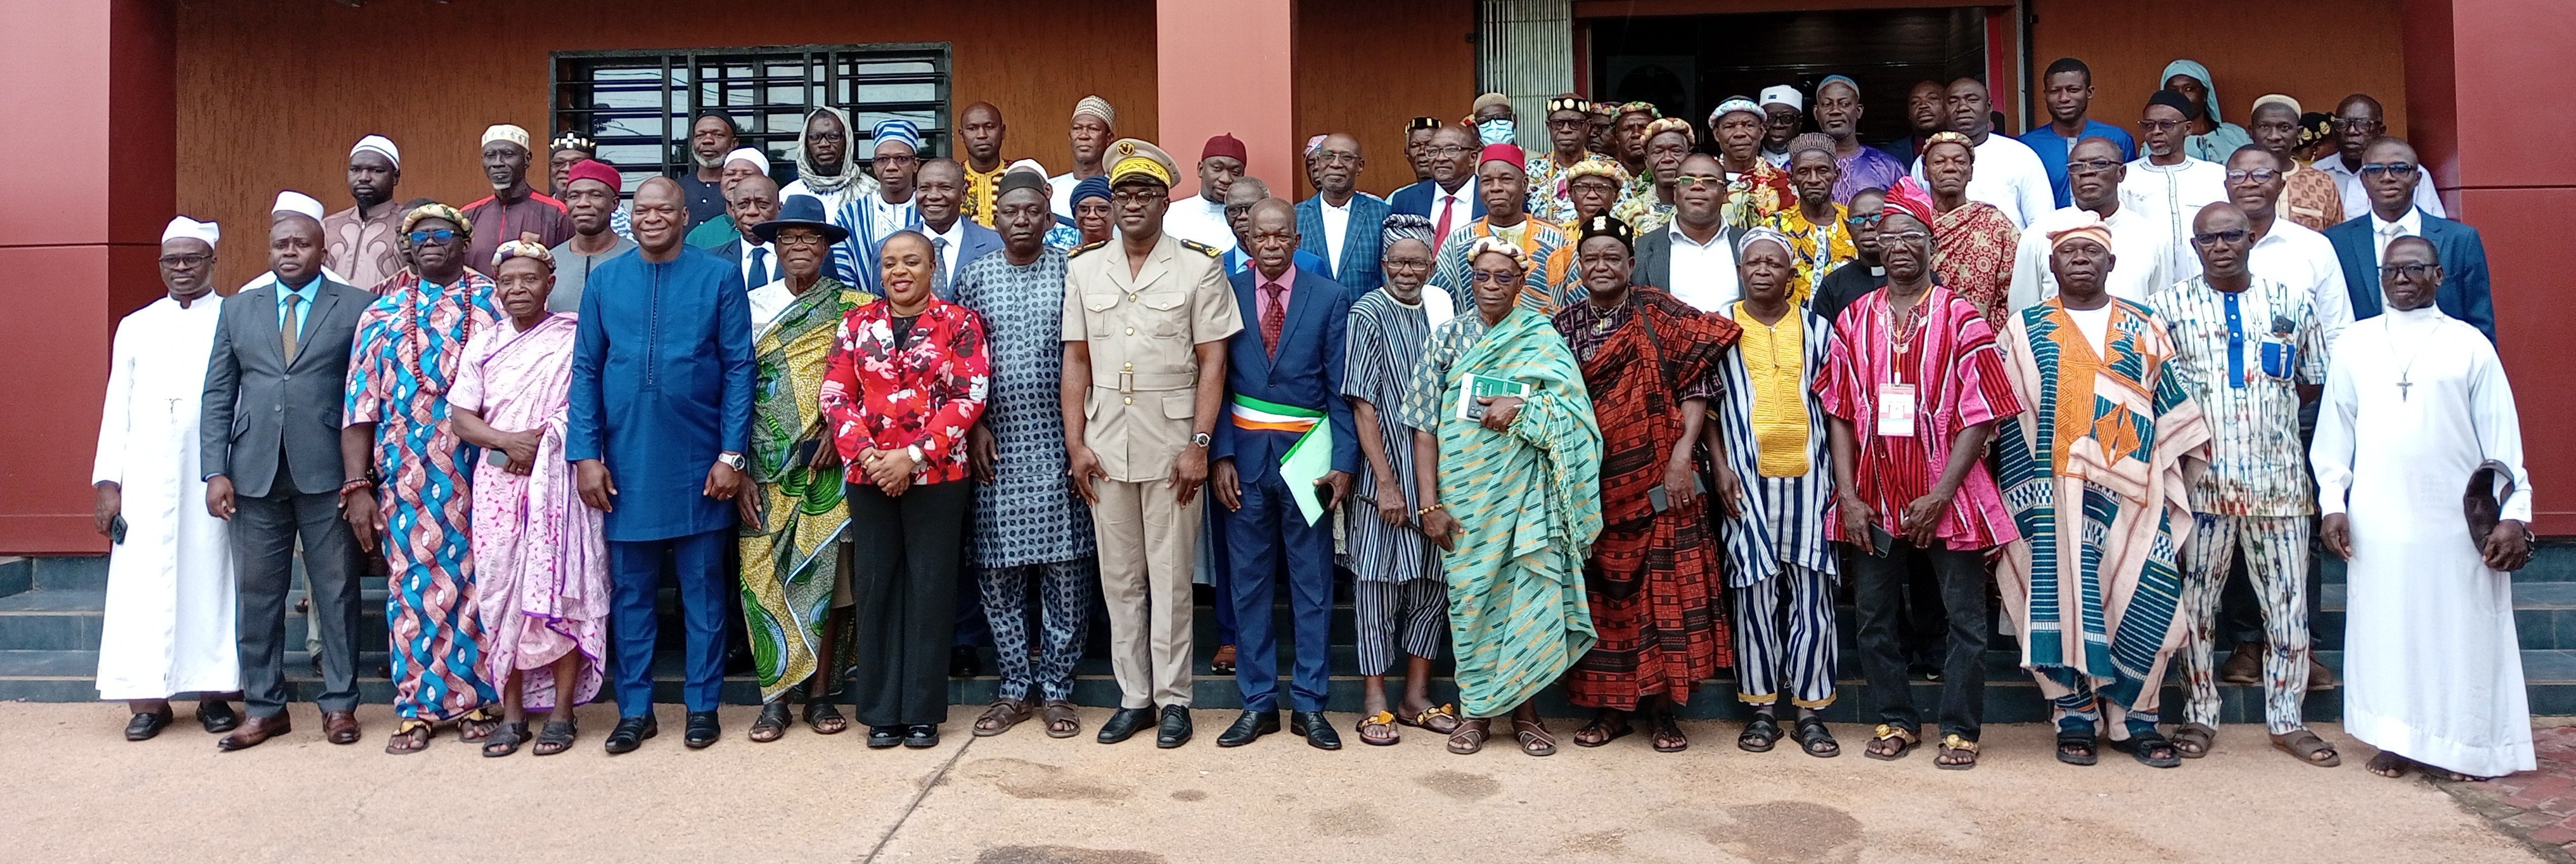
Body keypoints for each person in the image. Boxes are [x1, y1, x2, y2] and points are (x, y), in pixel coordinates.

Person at [1990, 213, 2212, 770]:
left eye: (2092, 252)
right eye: (2070, 252)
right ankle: (2074, 715)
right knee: (2058, 596)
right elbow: (2009, 415)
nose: (2081, 260)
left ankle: (2136, 717)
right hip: (2052, 496)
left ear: (2112, 262)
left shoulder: (2145, 324)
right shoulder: (2024, 328)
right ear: (2052, 263)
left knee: (2148, 592)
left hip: (2134, 498)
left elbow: (2170, 406)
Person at [1819, 179, 2023, 770]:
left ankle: (1960, 728)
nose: (1901, 246)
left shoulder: (1962, 317)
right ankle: (1896, 718)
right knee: (1875, 617)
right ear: (1875, 246)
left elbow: (1982, 414)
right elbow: (1839, 411)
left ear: (1931, 244)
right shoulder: (1853, 319)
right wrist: (1848, 496)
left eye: (1913, 235)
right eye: (1890, 237)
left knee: (1965, 618)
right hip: (1874, 491)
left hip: (1948, 492)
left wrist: (1940, 494)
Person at [2315, 235, 2534, 782]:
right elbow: (2335, 432)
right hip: (2380, 516)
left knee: (2460, 631)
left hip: (2454, 519)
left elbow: (2502, 436)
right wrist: (2333, 502)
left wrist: (2514, 513)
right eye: (2392, 270)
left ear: (2439, 276)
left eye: (2415, 268)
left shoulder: (2468, 345)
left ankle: (2464, 744)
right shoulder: (2356, 343)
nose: (2402, 278)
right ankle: (2397, 738)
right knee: (2388, 629)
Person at [1061, 138, 1240, 749]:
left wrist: (1199, 444)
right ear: (1111, 204)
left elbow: (1213, 362)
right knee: (1120, 579)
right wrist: (1076, 443)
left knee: (1170, 578)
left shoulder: (1199, 266)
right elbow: (1077, 359)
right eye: (1124, 195)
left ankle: (1174, 699)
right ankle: (1133, 696)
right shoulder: (1085, 267)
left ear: (1167, 202)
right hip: (1106, 442)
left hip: (1172, 443)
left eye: (1146, 194)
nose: (1133, 204)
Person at [2145, 202, 2337, 766]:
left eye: (2231, 235)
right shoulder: (2167, 308)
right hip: (2198, 486)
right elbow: (2154, 390)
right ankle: (2200, 712)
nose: (2221, 246)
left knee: (2287, 604)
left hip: (2279, 484)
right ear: (2195, 246)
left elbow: (2310, 382)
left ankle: (2287, 718)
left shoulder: (2290, 302)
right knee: (2196, 604)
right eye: (2209, 239)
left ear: (2251, 237)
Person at [569, 177, 756, 753]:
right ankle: (635, 710)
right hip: (625, 462)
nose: (652, 218)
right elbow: (586, 370)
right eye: (642, 209)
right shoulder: (605, 280)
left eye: (664, 210)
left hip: (700, 460)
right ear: (631, 216)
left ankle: (703, 706)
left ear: (684, 217)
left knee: (703, 592)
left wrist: (732, 454)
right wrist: (586, 455)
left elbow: (739, 367)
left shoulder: (719, 276)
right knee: (631, 594)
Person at [1400, 236, 1600, 757]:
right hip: (1464, 498)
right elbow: (1423, 426)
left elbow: (1576, 414)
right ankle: (1477, 713)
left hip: (1526, 496)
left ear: (1521, 283)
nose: (1491, 285)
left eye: (1503, 277)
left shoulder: (1541, 336)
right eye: (1483, 276)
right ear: (1470, 280)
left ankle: (1527, 714)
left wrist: (1524, 406)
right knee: (1472, 602)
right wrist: (1429, 505)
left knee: (1527, 597)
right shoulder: (1447, 337)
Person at [1550, 215, 1735, 753]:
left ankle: (1662, 711)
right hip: (1591, 484)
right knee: (1602, 596)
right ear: (1579, 268)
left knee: (1662, 596)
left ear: (1631, 264)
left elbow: (1697, 384)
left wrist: (1682, 456)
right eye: (1592, 258)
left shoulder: (1660, 312)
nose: (1602, 266)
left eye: (1613, 257)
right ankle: (1609, 711)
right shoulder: (1562, 327)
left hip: (1661, 480)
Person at [201, 207, 371, 751]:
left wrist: (362, 477)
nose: (290, 252)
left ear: (323, 250)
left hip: (328, 472)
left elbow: (367, 393)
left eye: (301, 244)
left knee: (336, 592)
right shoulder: (237, 308)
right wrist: (215, 470)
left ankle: (340, 705)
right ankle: (265, 707)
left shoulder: (357, 306)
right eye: (281, 245)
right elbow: (218, 393)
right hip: (253, 473)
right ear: (269, 250)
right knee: (256, 596)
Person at [818, 230, 989, 749]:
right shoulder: (856, 323)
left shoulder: (959, 323)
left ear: (932, 267)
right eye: (890, 262)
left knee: (930, 588)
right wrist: (871, 457)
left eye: (912, 261)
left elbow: (969, 396)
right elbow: (834, 394)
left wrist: (911, 457)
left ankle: (921, 711)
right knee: (877, 586)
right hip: (869, 475)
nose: (900, 271)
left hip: (937, 477)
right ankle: (880, 711)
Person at [343, 203, 504, 754]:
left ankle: (477, 699)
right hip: (407, 477)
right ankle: (417, 707)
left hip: (483, 472)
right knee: (412, 588)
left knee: (478, 583)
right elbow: (359, 407)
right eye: (419, 235)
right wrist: (358, 486)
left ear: (465, 241)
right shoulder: (381, 313)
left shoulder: (496, 303)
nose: (430, 241)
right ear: (406, 248)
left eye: (442, 233)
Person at [1207, 198, 1359, 751]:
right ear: (1247, 240)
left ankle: (1311, 705)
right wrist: (1220, 455)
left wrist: (1344, 462)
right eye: (1261, 236)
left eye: (1281, 236)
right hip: (1244, 462)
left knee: (1312, 586)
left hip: (1309, 462)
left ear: (1297, 239)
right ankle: (1258, 703)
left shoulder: (1330, 297)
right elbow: (1214, 381)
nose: (1271, 245)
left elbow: (1341, 388)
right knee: (1248, 586)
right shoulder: (1224, 293)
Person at [444, 240, 605, 758]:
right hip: (498, 484)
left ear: (549, 284)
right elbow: (461, 417)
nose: (518, 289)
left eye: (529, 279)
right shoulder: (484, 344)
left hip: (560, 483)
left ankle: (562, 713)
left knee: (561, 587)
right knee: (499, 593)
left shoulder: (572, 336)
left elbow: (588, 400)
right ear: (496, 287)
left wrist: (543, 441)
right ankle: (512, 714)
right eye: (508, 281)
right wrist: (506, 441)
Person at [956, 175, 1096, 738]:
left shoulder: (1072, 272)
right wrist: (974, 424)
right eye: (1011, 211)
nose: (1021, 220)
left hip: (1063, 442)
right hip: (997, 446)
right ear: (996, 219)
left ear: (1048, 217)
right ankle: (1014, 688)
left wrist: (1080, 439)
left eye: (1032, 211)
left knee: (1068, 571)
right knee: (999, 572)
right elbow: (958, 358)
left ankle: (1058, 689)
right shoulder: (974, 277)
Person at [94, 216, 242, 742]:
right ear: (160, 265)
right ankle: (147, 700)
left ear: (212, 261)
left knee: (211, 577)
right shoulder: (135, 325)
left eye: (192, 258)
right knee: (141, 583)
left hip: (210, 472)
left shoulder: (233, 316)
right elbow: (117, 405)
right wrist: (108, 483)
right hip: (145, 475)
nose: (181, 268)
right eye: (171, 260)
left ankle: (213, 692)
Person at [731, 194, 869, 742]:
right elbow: (731, 386)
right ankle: (775, 699)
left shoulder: (854, 306)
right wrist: (737, 464)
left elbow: (871, 381)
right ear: (774, 247)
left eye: (810, 238)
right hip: (762, 468)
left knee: (826, 578)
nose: (799, 247)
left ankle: (819, 695)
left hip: (826, 467)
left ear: (826, 247)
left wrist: (841, 432)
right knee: (761, 581)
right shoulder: (749, 305)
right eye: (788, 238)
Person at [1714, 226, 1841, 756]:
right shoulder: (1718, 328)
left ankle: (1811, 711)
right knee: (1753, 592)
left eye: (1774, 262)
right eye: (1754, 262)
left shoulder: (1819, 330)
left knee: (1814, 596)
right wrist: (1720, 467)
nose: (1763, 269)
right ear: (1740, 271)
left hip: (1812, 483)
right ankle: (1762, 709)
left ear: (1792, 274)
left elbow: (1838, 408)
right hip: (1744, 482)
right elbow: (1705, 405)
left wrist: (1843, 483)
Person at [1343, 214, 1458, 747]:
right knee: (1377, 588)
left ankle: (1416, 696)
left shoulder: (1439, 311)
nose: (1407, 271)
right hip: (1383, 477)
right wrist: (1386, 482)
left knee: (1431, 585)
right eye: (1398, 262)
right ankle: (1375, 699)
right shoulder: (1368, 312)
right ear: (1383, 264)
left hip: (1434, 478)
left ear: (1431, 266)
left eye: (1417, 262)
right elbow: (1362, 404)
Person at [2322, 136, 2494, 341]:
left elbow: (2481, 324)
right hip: (2366, 357)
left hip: (2443, 357)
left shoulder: (2460, 240)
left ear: (2417, 178)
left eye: (2399, 169)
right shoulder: (2336, 242)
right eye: (2375, 170)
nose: (2387, 177)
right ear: (2363, 180)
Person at [2011, 137, 2176, 309]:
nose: (2087, 172)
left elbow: (2160, 311)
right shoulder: (2039, 234)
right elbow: (2022, 312)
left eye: (2099, 164)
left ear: (2121, 173)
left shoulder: (2151, 237)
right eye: (2076, 167)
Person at [2227, 146, 2355, 345]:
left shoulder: (2315, 247)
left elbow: (2336, 332)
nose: (2250, 183)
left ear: (2281, 185)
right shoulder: (2207, 246)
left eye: (2262, 175)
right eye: (2237, 175)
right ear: (2226, 185)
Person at [1431, 144, 1569, 314]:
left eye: (1506, 179)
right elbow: (1438, 302)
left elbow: (1577, 303)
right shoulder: (1458, 242)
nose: (1495, 187)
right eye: (1487, 181)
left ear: (1524, 184)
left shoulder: (1556, 240)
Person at [1910, 77, 2052, 229]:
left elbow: (2041, 223)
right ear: (1945, 110)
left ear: (1989, 106)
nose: (1962, 107)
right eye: (1953, 102)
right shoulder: (1927, 161)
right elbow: (1915, 222)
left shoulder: (2021, 155)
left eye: (1972, 100)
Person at [2125, 90, 2231, 282]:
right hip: (2146, 280)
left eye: (2166, 124)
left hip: (2203, 280)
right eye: (2149, 125)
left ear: (2187, 128)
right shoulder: (2125, 177)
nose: (2156, 131)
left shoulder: (2215, 176)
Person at [1919, 134, 2021, 324]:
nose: (1950, 168)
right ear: (1926, 172)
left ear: (1971, 172)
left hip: (1983, 334)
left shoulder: (1996, 225)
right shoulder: (1913, 223)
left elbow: (2014, 291)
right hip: (1923, 332)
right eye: (1939, 162)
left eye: (1959, 162)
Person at [1631, 153, 1744, 312]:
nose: (1697, 186)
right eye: (1687, 180)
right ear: (1675, 192)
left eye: (1709, 181)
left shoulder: (1745, 244)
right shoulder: (1643, 247)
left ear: (1724, 194)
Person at [2021, 58, 2140, 208]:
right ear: (2045, 95)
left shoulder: (2118, 139)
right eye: (2055, 91)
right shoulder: (2025, 146)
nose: (2064, 98)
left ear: (2089, 92)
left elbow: (2131, 194)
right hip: (2048, 223)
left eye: (2073, 90)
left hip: (2108, 223)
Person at [2310, 94, 2445, 221]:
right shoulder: (2316, 174)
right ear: (2334, 131)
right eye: (2342, 124)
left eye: (2363, 124)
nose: (2351, 131)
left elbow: (2433, 227)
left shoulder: (2407, 173)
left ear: (2381, 132)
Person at [461, 124, 572, 275]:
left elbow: (568, 269)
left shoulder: (557, 213)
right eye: (490, 156)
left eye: (508, 154)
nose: (498, 163)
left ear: (527, 159)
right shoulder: (467, 216)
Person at [833, 120, 927, 287]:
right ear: (874, 166)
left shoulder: (930, 212)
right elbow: (843, 278)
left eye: (901, 159)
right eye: (883, 159)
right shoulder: (850, 215)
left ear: (915, 164)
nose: (891, 167)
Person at [1763, 134, 1852, 305]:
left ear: (1837, 175)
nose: (1813, 180)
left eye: (1823, 171)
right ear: (1792, 178)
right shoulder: (1774, 227)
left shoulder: (1854, 223)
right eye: (1803, 172)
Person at [1299, 132, 1393, 291]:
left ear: (1360, 166)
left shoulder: (1382, 215)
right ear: (1319, 163)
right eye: (1328, 156)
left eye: (1346, 157)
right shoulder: (1296, 216)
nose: (1336, 164)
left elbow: (1388, 278)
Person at [546, 158, 636, 313]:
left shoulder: (637, 259)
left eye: (595, 195)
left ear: (614, 204)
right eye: (574, 196)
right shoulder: (551, 262)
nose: (583, 203)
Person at [906, 157, 1004, 298]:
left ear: (963, 194)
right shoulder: (890, 248)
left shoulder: (997, 246)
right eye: (925, 188)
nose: (933, 196)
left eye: (945, 188)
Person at [2246, 95, 2343, 232]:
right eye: (2264, 127)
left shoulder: (2322, 182)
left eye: (2285, 128)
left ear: (2298, 133)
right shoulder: (2237, 179)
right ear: (2251, 131)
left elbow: (2337, 236)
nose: (2274, 136)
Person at [325, 135, 408, 293]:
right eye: (355, 170)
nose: (364, 178)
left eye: (376, 171)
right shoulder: (327, 226)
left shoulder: (410, 224)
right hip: (335, 309)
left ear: (396, 177)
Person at [1535, 160, 1631, 295]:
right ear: (1571, 194)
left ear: (1615, 195)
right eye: (1582, 188)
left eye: (1601, 188)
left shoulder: (1631, 237)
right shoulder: (1556, 238)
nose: (1592, 195)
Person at [1810, 75, 1909, 203]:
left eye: (1845, 104)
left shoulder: (1889, 167)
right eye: (1827, 104)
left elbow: (1909, 211)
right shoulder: (1800, 168)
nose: (1835, 111)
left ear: (1859, 111)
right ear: (1816, 113)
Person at [1708, 96, 1794, 229]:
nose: (1739, 133)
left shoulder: (1783, 182)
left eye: (1749, 125)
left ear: (1761, 132)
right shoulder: (1705, 180)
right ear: (1717, 135)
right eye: (1730, 126)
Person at [780, 105, 877, 219]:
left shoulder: (872, 195)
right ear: (805, 143)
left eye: (833, 136)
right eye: (815, 137)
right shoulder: (787, 196)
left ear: (847, 141)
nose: (824, 144)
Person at [1526, 94, 1609, 225]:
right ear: (1549, 127)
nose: (1566, 130)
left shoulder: (1609, 169)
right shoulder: (1530, 171)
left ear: (1588, 126)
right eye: (1558, 124)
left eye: (1575, 124)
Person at [1390, 125, 1483, 240]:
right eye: (1433, 151)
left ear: (1472, 157)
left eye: (1451, 150)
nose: (1440, 158)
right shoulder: (1405, 200)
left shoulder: (1491, 197)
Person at [1811, 187, 1886, 326]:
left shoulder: (1915, 279)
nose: (1868, 226)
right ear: (1848, 229)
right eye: (1858, 220)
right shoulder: (1833, 286)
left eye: (1876, 218)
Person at [1607, 118, 1693, 233]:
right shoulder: (1627, 213)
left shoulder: (1707, 207)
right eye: (1658, 152)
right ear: (1647, 162)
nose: (1667, 158)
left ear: (1689, 159)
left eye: (1676, 151)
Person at [2158, 60, 2254, 163]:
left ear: (2205, 93)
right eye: (2173, 91)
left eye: (2189, 89)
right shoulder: (2159, 142)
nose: (2181, 97)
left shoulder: (2236, 135)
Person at [1164, 134, 1247, 252]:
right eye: (1217, 168)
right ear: (1201, 169)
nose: (1226, 179)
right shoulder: (1169, 215)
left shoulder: (1249, 220)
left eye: (1235, 172)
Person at [710, 172, 783, 292]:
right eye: (743, 205)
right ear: (733, 211)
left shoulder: (799, 256)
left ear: (779, 208)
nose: (752, 212)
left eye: (763, 204)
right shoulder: (712, 260)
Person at [687, 148, 773, 250]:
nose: (737, 178)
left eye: (747, 174)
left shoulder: (778, 231)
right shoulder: (699, 236)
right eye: (730, 174)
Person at [1050, 96, 1119, 218]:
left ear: (1109, 139)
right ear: (1070, 138)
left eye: (1093, 129)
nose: (1084, 136)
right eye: (1077, 128)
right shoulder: (1050, 190)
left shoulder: (1118, 190)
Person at [677, 112, 740, 228]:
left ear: (734, 143)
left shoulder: (743, 189)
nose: (707, 141)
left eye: (718, 135)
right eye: (700, 135)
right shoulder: (677, 188)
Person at [956, 101, 1010, 226]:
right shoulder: (953, 179)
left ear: (1003, 132)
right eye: (972, 128)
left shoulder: (1017, 174)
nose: (982, 135)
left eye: (989, 127)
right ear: (962, 135)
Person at [1879, 81, 1948, 165]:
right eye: (1915, 102)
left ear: (1948, 107)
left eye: (1932, 98)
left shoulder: (1963, 145)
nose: (1923, 105)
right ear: (1909, 114)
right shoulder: (1887, 155)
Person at [1610, 102, 1660, 191]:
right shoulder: (1607, 173)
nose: (1636, 134)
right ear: (1616, 138)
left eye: (1644, 127)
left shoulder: (1669, 173)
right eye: (1627, 129)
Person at [1757, 87, 1802, 168]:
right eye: (1770, 118)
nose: (1778, 125)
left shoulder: (1812, 160)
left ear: (1799, 122)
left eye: (1787, 118)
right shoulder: (1748, 160)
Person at [1403, 116, 1443, 184]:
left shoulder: (1459, 190)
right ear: (1407, 153)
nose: (1422, 151)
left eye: (1429, 145)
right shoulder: (1405, 192)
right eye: (1415, 146)